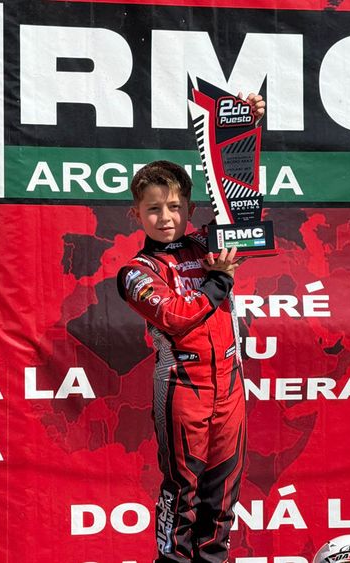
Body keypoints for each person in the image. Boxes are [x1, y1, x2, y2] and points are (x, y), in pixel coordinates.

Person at [116, 92, 263, 563]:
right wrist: (220, 279)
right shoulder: (135, 272)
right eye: (154, 210)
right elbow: (178, 318)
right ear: (135, 215)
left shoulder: (208, 241)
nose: (166, 218)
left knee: (222, 501)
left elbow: (242, 206)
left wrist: (241, 130)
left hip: (231, 387)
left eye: (175, 207)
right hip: (183, 386)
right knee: (183, 496)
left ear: (190, 208)